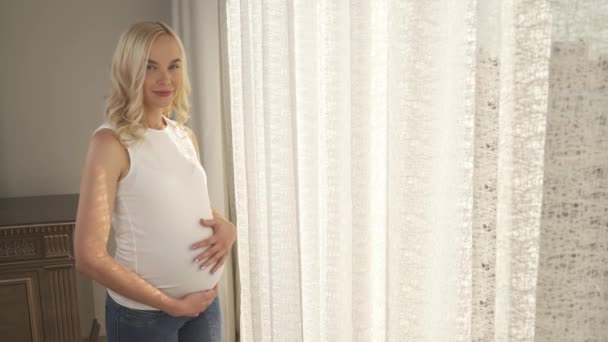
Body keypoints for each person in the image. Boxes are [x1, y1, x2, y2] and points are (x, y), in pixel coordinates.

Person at [74, 21, 236, 342]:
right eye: (151, 67)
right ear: (129, 71)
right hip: (143, 316)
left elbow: (179, 201)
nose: (166, 79)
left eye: (174, 66)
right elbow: (88, 255)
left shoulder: (183, 135)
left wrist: (227, 226)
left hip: (204, 304)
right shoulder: (111, 143)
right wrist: (171, 304)